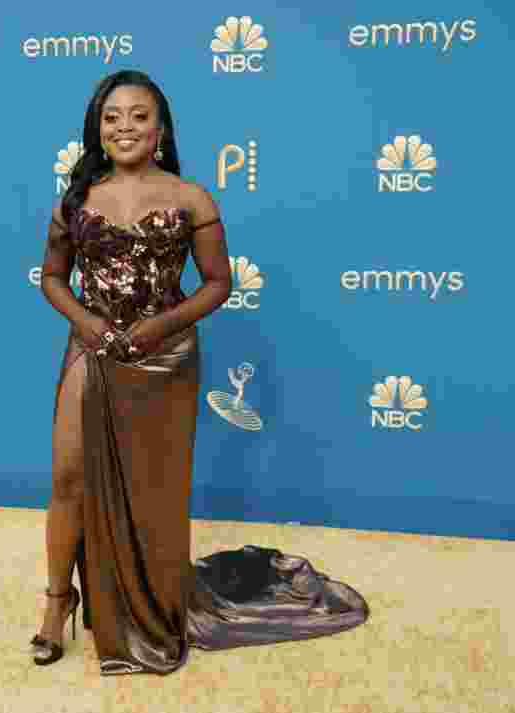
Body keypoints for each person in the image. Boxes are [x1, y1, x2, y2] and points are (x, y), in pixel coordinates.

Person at [31, 70, 369, 675]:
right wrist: (83, 321)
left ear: (161, 128)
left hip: (163, 358)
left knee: (151, 494)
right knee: (66, 476)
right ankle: (59, 600)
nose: (125, 126)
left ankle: (151, 600)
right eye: (112, 117)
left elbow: (219, 284)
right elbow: (51, 278)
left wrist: (160, 326)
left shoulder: (192, 198)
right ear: (96, 128)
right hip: (93, 348)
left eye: (139, 115)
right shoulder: (74, 200)